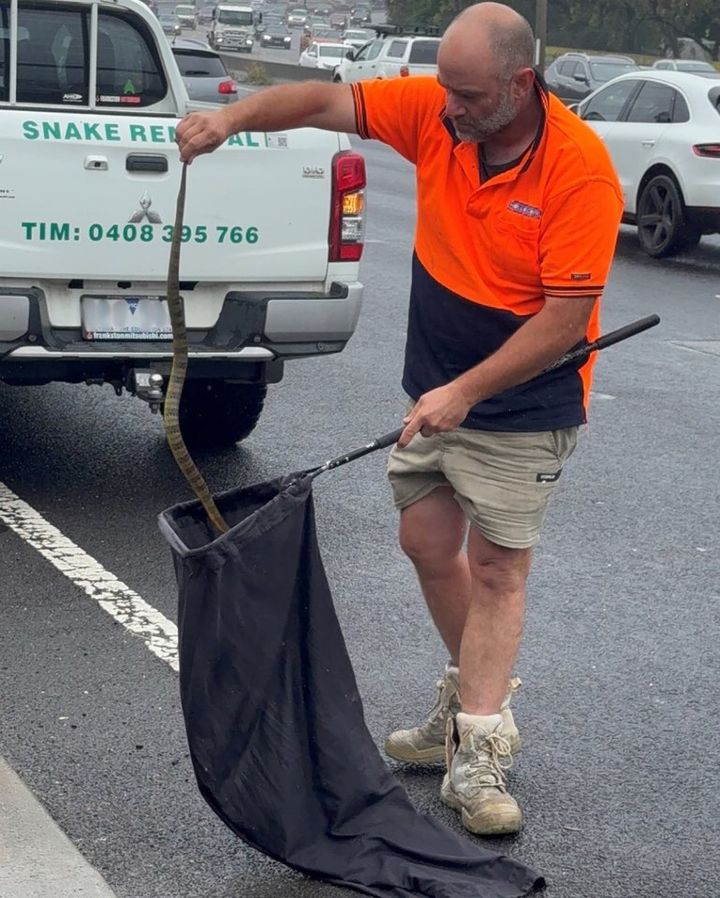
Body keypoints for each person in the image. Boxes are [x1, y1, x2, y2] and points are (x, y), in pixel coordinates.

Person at [176, 2, 623, 837]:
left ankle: (483, 752)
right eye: (445, 89)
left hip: (524, 404)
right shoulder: (438, 113)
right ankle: (463, 710)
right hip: (438, 391)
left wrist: (467, 393)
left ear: (521, 85)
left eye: (467, 93)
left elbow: (565, 319)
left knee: (495, 570)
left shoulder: (579, 171)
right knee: (425, 544)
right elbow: (318, 103)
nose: (447, 106)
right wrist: (229, 119)